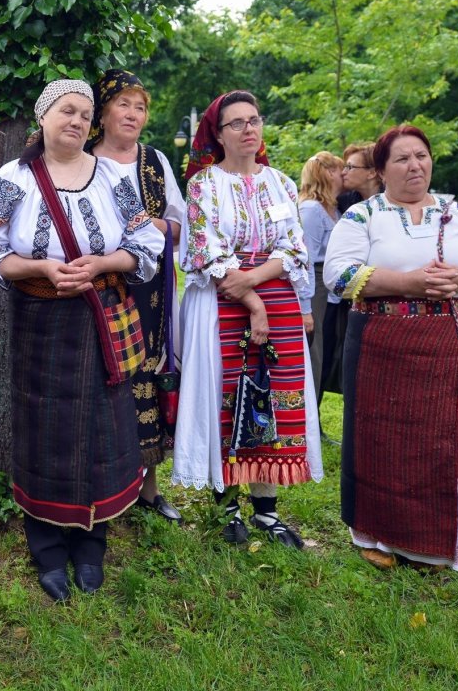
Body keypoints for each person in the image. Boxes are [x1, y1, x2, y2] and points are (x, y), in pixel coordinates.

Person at [0, 79, 164, 601]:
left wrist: (103, 262)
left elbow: (146, 241)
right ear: (43, 118)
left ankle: (92, 543)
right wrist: (39, 268)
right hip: (40, 319)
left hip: (101, 314)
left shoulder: (113, 178)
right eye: (65, 111)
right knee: (44, 425)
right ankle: (47, 546)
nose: (76, 121)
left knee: (102, 425)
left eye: (84, 114)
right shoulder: (15, 178)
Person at [323, 124, 458, 571]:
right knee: (380, 440)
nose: (415, 166)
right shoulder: (363, 216)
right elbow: (339, 274)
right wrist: (411, 282)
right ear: (381, 170)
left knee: (445, 445)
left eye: (422, 156)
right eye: (402, 159)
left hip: (450, 347)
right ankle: (375, 535)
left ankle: (435, 543)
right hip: (381, 351)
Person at [171, 90, 322, 550]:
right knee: (225, 397)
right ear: (218, 134)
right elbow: (204, 249)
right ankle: (228, 505)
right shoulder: (203, 185)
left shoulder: (281, 183)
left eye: (254, 120)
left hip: (275, 297)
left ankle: (267, 511)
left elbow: (295, 247)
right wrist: (251, 300)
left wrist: (256, 285)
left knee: (275, 397)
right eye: (236, 123)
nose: (248, 129)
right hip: (221, 300)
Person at [87, 69, 184, 523]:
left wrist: (147, 226)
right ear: (103, 112)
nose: (133, 114)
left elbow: (183, 228)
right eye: (123, 103)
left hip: (148, 290)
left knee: (147, 373)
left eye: (140, 106)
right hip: (96, 285)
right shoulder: (82, 158)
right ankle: (103, 485)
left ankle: (148, 488)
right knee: (102, 379)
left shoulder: (155, 161)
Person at [324, 142, 382, 403]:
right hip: (348, 293)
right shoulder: (346, 202)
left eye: (350, 166)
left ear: (372, 172)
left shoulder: (392, 202)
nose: (344, 171)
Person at [296, 151, 344, 398]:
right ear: (327, 173)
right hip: (314, 282)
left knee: (324, 348)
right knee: (314, 349)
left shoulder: (331, 208)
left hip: (327, 283)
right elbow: (307, 256)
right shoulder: (312, 209)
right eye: (339, 170)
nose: (343, 174)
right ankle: (308, 412)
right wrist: (306, 303)